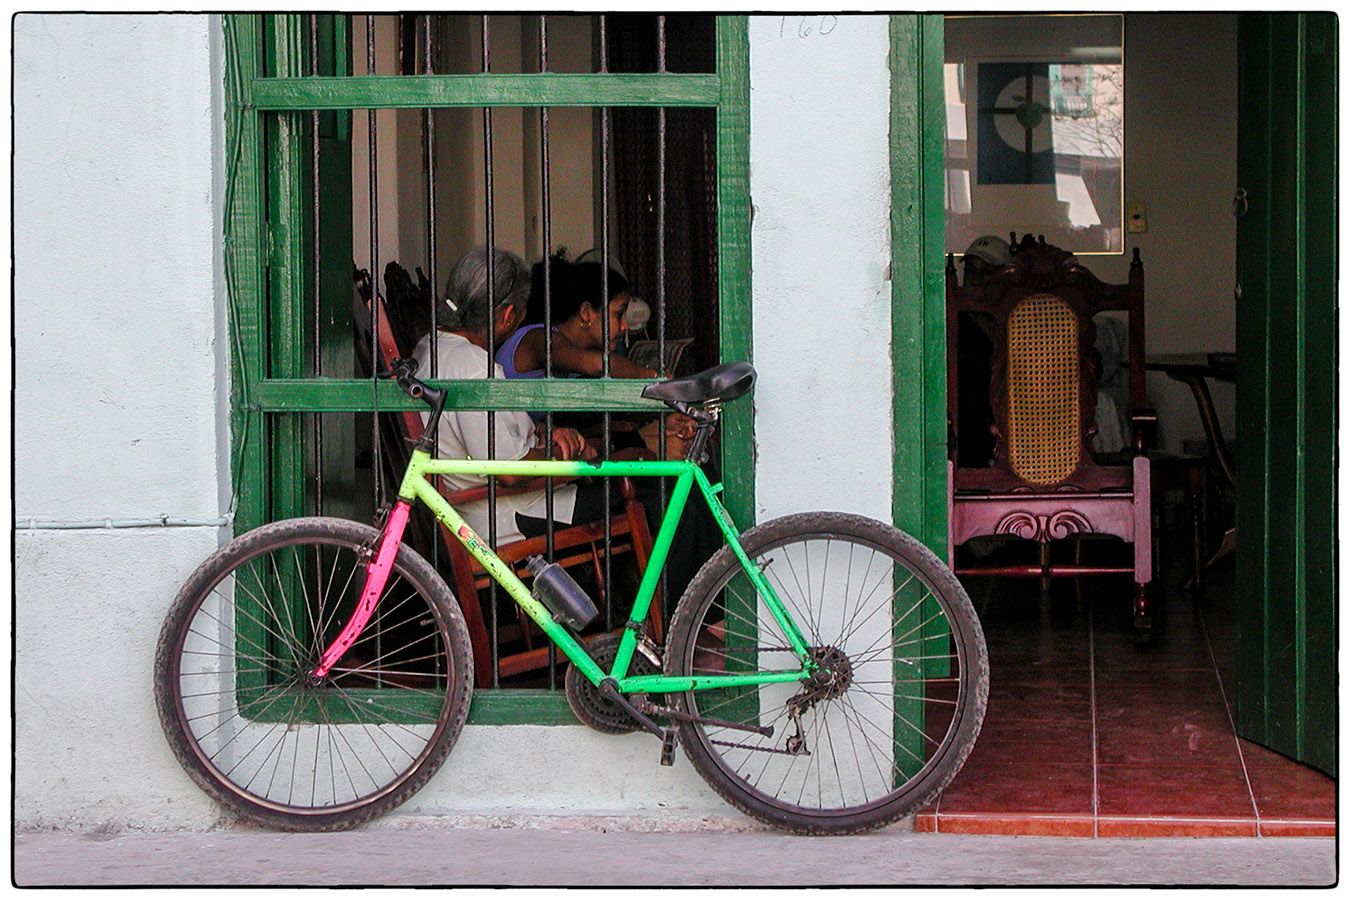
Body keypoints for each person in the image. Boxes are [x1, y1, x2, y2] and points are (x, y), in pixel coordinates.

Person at [411, 246, 597, 546]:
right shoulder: (472, 364)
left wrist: (542, 433)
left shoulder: (431, 345)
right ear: (508, 314)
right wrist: (563, 454)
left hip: (472, 509)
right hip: (504, 514)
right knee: (649, 497)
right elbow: (509, 472)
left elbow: (499, 435)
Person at [496, 253, 658, 384]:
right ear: (586, 312)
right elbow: (603, 365)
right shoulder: (540, 338)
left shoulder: (572, 359)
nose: (625, 326)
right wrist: (658, 379)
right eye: (619, 314)